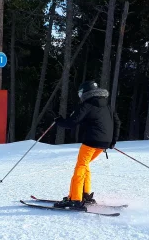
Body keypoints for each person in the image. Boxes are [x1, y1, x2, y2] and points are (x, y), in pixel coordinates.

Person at [52, 80, 121, 210]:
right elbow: (117, 122)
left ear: (85, 93)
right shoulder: (107, 105)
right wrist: (112, 141)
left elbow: (73, 122)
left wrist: (59, 121)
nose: (80, 96)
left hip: (91, 142)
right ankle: (86, 195)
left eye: (80, 93)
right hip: (103, 144)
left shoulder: (87, 104)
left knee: (80, 167)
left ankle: (75, 199)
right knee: (85, 165)